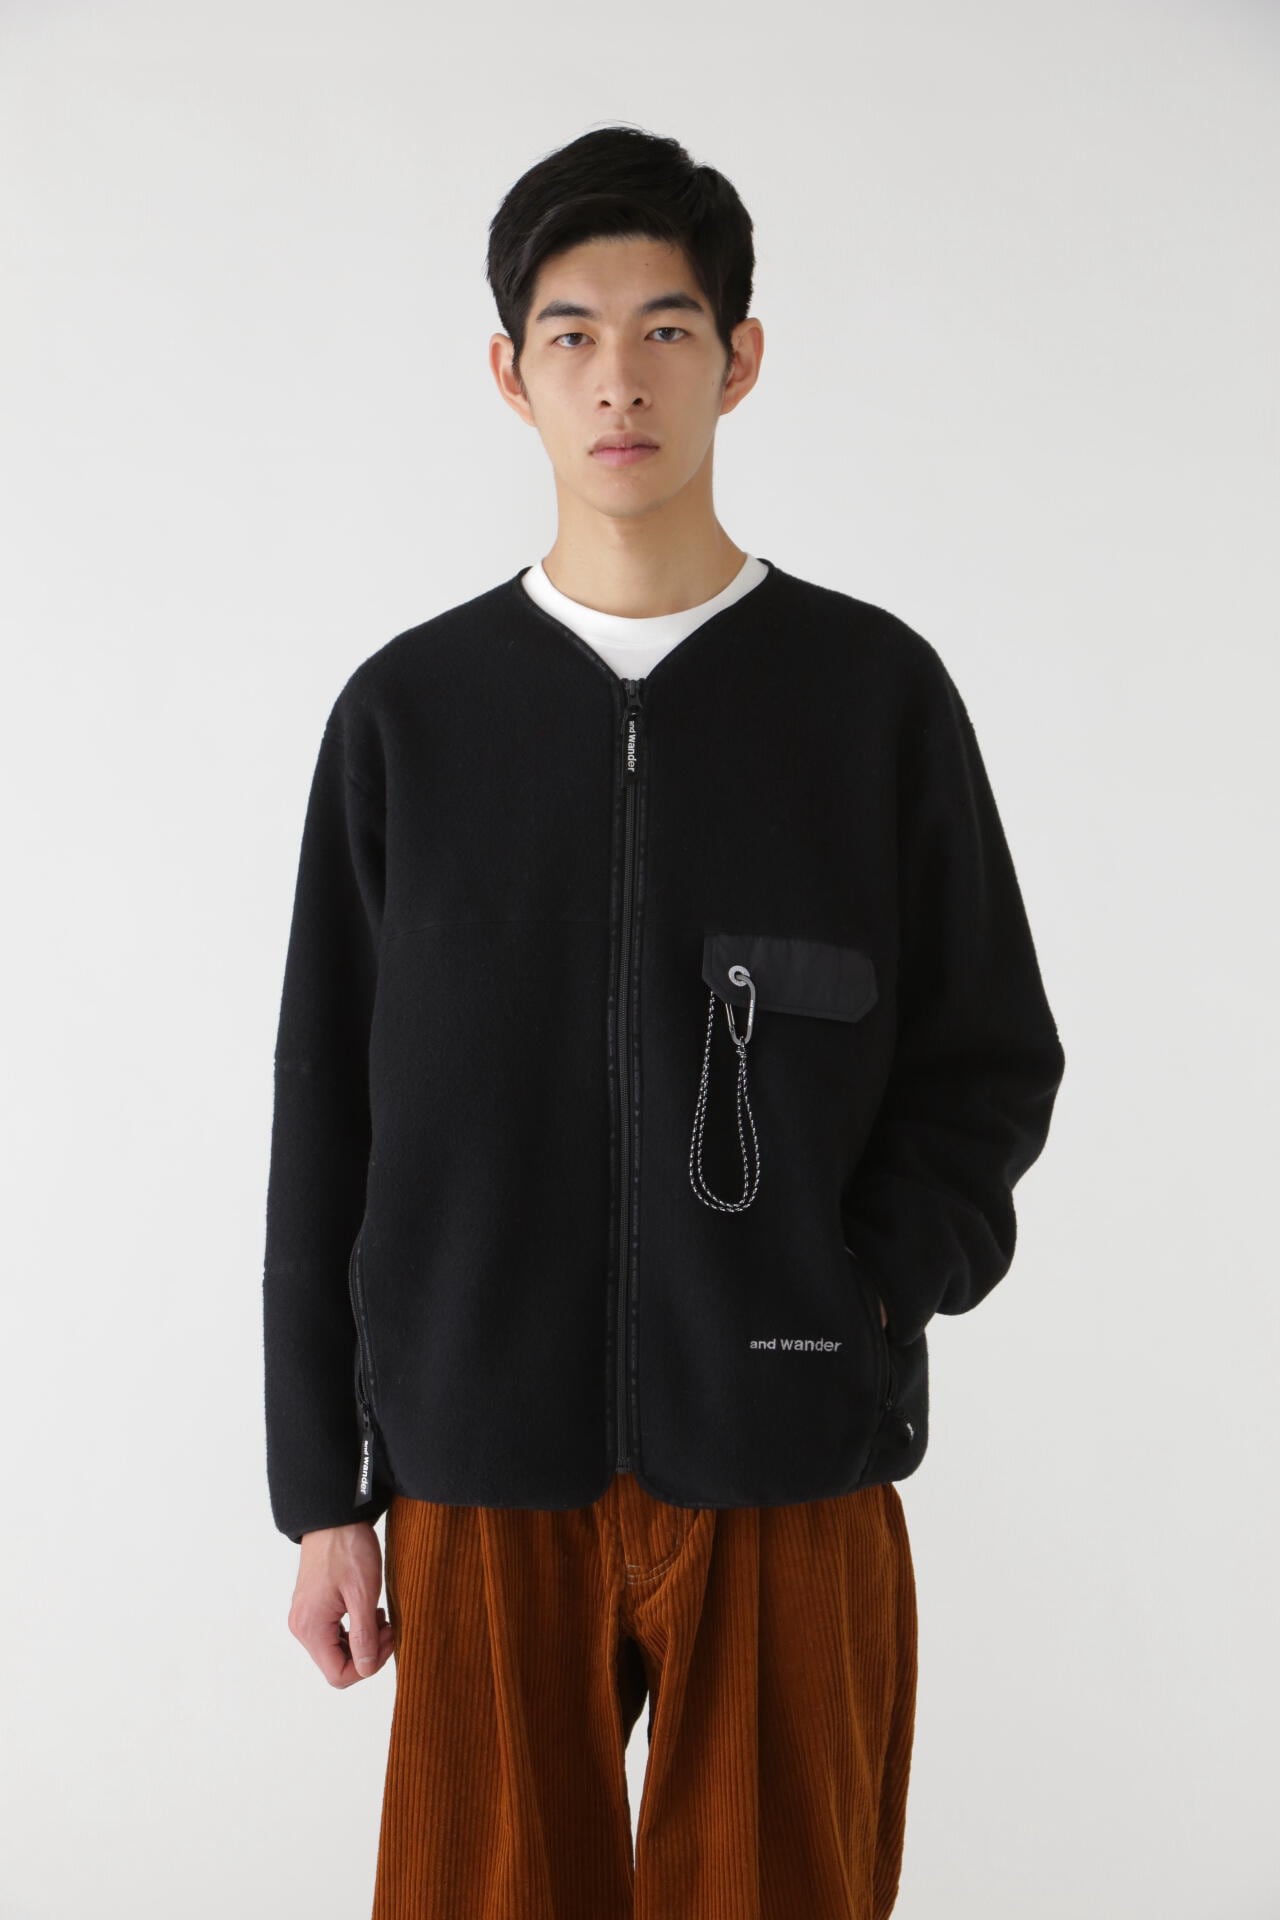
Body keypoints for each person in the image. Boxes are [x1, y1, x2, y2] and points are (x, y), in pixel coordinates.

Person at [261, 124, 1066, 1920]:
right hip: (478, 1471)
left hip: (790, 1459)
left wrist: (863, 1294)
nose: (618, 378)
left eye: (667, 330)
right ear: (511, 373)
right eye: (571, 335)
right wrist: (324, 1491)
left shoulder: (870, 698)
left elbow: (991, 1058)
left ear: (740, 358)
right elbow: (327, 1117)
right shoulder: (410, 718)